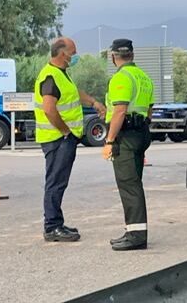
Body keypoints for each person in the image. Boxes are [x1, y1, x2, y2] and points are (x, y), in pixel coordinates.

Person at [34, 37, 106, 242]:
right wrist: (65, 132)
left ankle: (56, 222)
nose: (75, 56)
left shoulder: (62, 75)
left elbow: (74, 94)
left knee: (58, 182)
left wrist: (93, 102)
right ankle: (52, 227)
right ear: (62, 53)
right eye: (73, 53)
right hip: (57, 139)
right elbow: (49, 109)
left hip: (63, 138)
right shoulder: (50, 77)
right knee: (55, 183)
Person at [103, 39, 154, 251]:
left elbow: (120, 110)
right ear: (132, 55)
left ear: (113, 56)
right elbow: (150, 109)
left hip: (126, 137)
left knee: (129, 185)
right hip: (141, 133)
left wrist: (109, 140)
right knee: (134, 183)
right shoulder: (144, 76)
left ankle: (136, 236)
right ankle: (133, 230)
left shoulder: (121, 78)